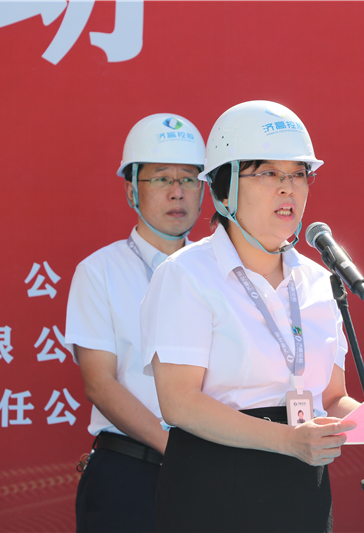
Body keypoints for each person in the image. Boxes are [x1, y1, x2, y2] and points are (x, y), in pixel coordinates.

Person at [141, 100, 364, 533]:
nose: (288, 189)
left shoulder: (318, 281)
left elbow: (332, 399)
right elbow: (179, 402)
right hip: (214, 484)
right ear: (224, 189)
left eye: (298, 174)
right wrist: (287, 440)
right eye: (268, 173)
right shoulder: (186, 274)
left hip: (302, 486)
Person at [64, 113, 206, 532]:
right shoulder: (99, 271)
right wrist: (176, 451)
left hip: (212, 472)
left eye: (189, 179)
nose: (177, 192)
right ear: (131, 190)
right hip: (130, 474)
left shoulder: (218, 271)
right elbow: (100, 383)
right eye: (161, 179)